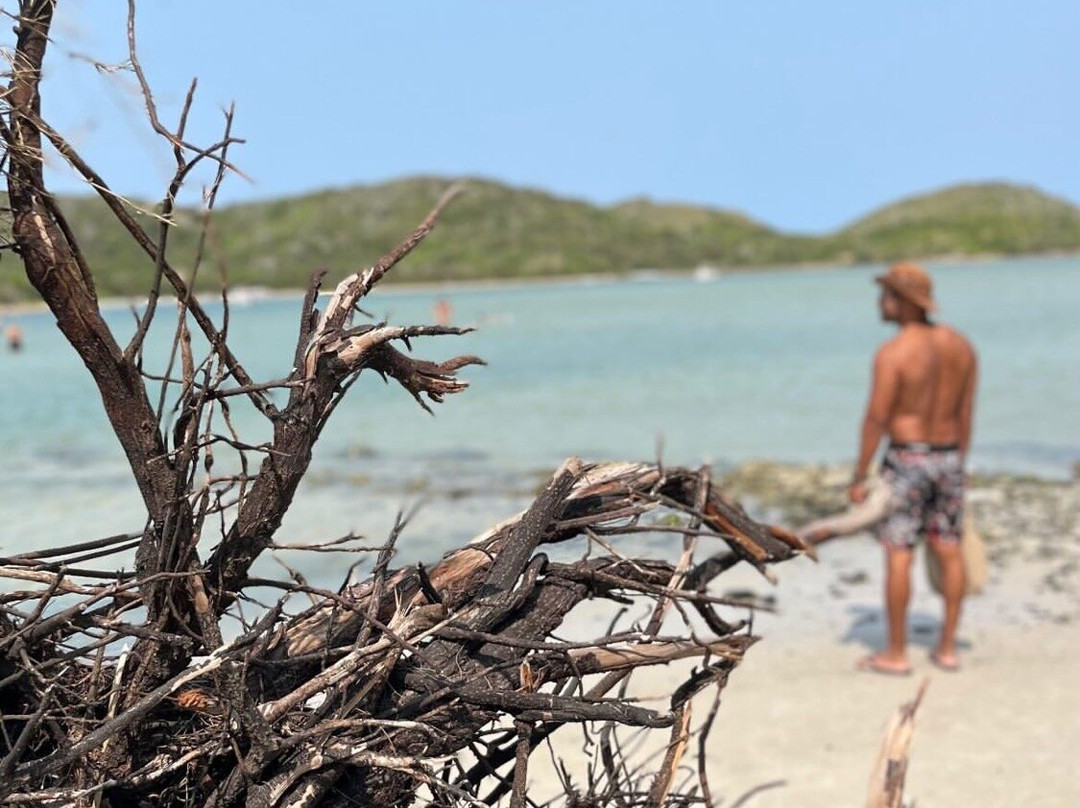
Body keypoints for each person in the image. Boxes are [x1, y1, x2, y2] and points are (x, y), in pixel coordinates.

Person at [848, 262, 978, 675]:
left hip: (906, 460)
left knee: (899, 554)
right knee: (950, 550)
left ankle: (896, 653)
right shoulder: (962, 346)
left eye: (886, 295)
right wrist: (959, 463)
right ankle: (947, 648)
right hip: (948, 457)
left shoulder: (893, 353)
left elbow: (876, 418)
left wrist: (859, 475)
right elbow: (965, 415)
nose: (879, 302)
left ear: (903, 302)